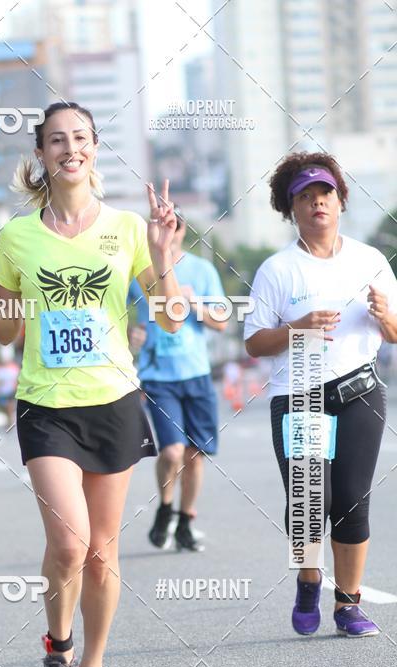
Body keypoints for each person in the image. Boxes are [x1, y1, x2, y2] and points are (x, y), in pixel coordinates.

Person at [0, 100, 183, 667]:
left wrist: (164, 258)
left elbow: (173, 317)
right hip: (47, 405)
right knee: (69, 545)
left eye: (80, 138)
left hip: (114, 402)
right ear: (41, 154)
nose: (70, 148)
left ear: (94, 148)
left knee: (102, 553)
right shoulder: (19, 236)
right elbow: (5, 332)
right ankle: (59, 650)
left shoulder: (128, 228)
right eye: (56, 140)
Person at [244, 152, 397, 637]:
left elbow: (395, 334)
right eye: (305, 196)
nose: (317, 203)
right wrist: (299, 328)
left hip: (359, 392)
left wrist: (385, 317)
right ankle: (309, 579)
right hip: (300, 397)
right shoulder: (277, 270)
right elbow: (254, 343)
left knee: (352, 501)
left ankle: (348, 605)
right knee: (311, 504)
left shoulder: (371, 261)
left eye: (325, 193)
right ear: (290, 209)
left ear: (341, 200)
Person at [127, 209, 227, 551]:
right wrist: (131, 331)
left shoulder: (201, 269)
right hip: (158, 376)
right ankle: (166, 508)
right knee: (171, 452)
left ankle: (185, 521)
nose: (168, 231)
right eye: (160, 225)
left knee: (194, 455)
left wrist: (194, 303)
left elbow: (222, 321)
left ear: (183, 230)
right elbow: (112, 311)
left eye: (175, 225)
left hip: (196, 374)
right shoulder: (139, 270)